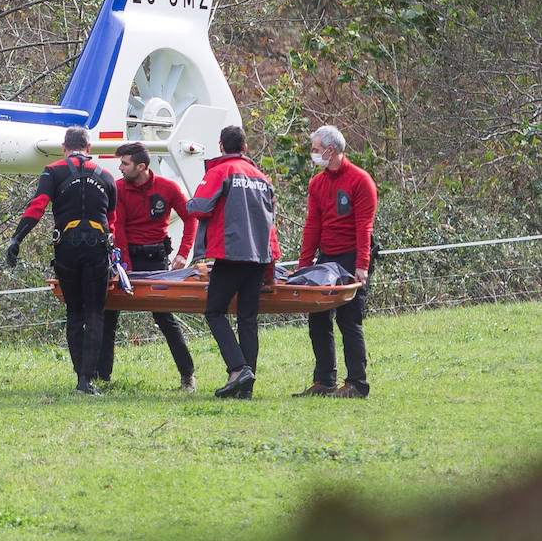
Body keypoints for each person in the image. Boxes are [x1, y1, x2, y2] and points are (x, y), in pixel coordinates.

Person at [5, 125, 117, 396]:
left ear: (64, 148)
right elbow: (112, 221)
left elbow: (38, 206)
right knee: (95, 313)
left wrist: (16, 239)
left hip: (66, 249)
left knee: (74, 313)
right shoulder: (107, 175)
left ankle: (81, 375)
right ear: (89, 148)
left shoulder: (53, 171)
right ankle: (86, 381)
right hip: (97, 250)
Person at [187, 125, 278, 399]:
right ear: (245, 148)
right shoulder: (262, 178)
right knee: (248, 319)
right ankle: (245, 389)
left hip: (231, 253)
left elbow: (199, 207)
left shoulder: (221, 171)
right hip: (259, 257)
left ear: (220, 146)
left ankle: (238, 369)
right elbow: (271, 225)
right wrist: (270, 270)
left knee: (214, 312)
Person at [104, 142, 198, 392]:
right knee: (109, 314)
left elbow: (191, 218)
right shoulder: (118, 188)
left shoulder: (167, 188)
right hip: (126, 260)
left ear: (141, 166)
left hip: (157, 260)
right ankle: (102, 377)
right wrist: (125, 268)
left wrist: (183, 254)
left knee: (164, 317)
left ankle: (187, 376)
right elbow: (118, 228)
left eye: (124, 163)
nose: (120, 168)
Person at [292, 124, 377, 399]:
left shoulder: (361, 180)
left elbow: (364, 226)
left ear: (331, 150)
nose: (313, 154)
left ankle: (357, 384)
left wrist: (362, 266)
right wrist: (305, 265)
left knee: (349, 321)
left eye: (316, 150)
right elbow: (312, 226)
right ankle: (324, 381)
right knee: (317, 319)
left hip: (352, 257)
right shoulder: (316, 183)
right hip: (326, 258)